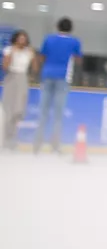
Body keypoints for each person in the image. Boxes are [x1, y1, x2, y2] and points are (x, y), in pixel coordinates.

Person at [31, 17, 82, 155]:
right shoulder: (74, 42)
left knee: (43, 112)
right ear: (71, 28)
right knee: (58, 114)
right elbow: (78, 60)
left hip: (47, 76)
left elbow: (41, 57)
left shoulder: (49, 39)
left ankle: (37, 145)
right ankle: (55, 145)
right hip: (63, 77)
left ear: (57, 26)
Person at [2, 30, 35, 150]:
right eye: (20, 38)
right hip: (11, 77)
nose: (22, 41)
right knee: (9, 110)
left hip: (23, 78)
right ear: (15, 39)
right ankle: (6, 139)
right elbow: (5, 66)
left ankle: (13, 137)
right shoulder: (9, 50)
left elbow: (34, 69)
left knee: (18, 110)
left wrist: (33, 56)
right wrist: (12, 53)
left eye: (24, 39)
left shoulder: (28, 52)